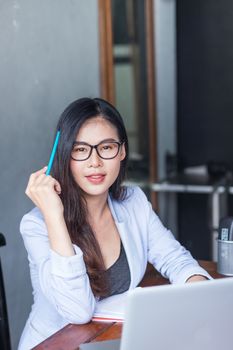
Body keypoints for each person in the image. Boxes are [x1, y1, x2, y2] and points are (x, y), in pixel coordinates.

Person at [18, 97, 211, 349]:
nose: (95, 162)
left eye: (106, 147)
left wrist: (200, 292)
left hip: (113, 341)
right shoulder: (36, 225)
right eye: (80, 149)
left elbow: (174, 258)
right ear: (65, 156)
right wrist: (54, 215)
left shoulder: (134, 202)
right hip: (57, 344)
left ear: (121, 151)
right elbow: (78, 311)